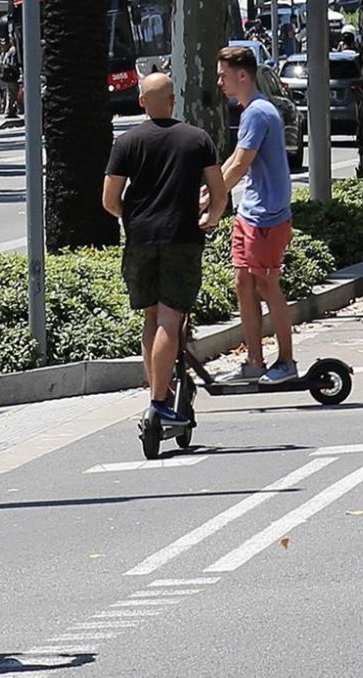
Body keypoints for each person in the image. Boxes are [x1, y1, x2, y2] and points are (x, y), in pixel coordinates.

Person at [102, 74, 227, 424]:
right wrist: (210, 218)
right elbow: (219, 194)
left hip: (140, 240)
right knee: (171, 319)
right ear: (173, 100)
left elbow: (109, 200)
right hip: (182, 238)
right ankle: (159, 403)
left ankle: (158, 393)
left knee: (151, 316)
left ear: (141, 101)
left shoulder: (126, 142)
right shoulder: (197, 139)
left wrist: (135, 217)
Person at [212, 46, 298, 385]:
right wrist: (207, 192)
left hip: (267, 216)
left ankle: (287, 362)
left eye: (223, 76)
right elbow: (235, 160)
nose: (220, 82)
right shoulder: (252, 111)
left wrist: (212, 197)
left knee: (266, 285)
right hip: (250, 213)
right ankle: (254, 362)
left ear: (242, 75)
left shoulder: (259, 112)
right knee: (243, 283)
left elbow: (240, 164)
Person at [0, 38, 21, 118]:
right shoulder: (11, 51)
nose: (2, 46)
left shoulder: (10, 51)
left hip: (10, 75)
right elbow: (11, 63)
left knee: (11, 94)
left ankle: (10, 111)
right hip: (11, 76)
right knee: (11, 94)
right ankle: (9, 111)